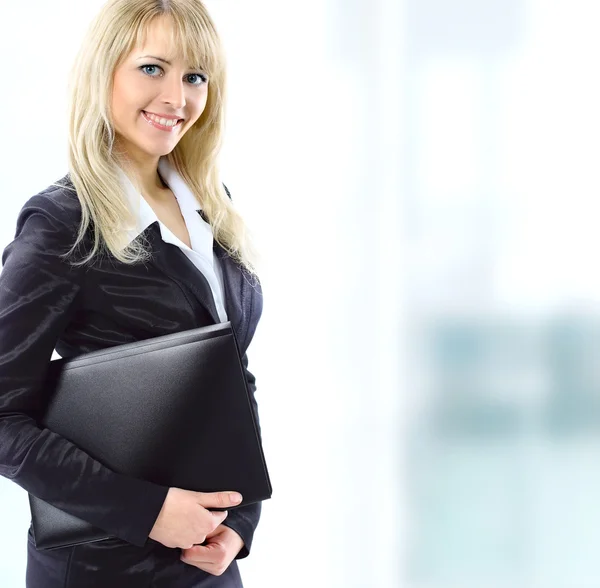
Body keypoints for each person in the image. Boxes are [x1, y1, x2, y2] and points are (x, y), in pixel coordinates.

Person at [0, 0, 265, 586]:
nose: (177, 98)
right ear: (105, 72)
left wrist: (242, 520)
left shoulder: (209, 206)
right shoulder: (62, 223)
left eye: (195, 77)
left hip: (206, 559)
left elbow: (229, 375)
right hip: (102, 564)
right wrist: (147, 512)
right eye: (153, 68)